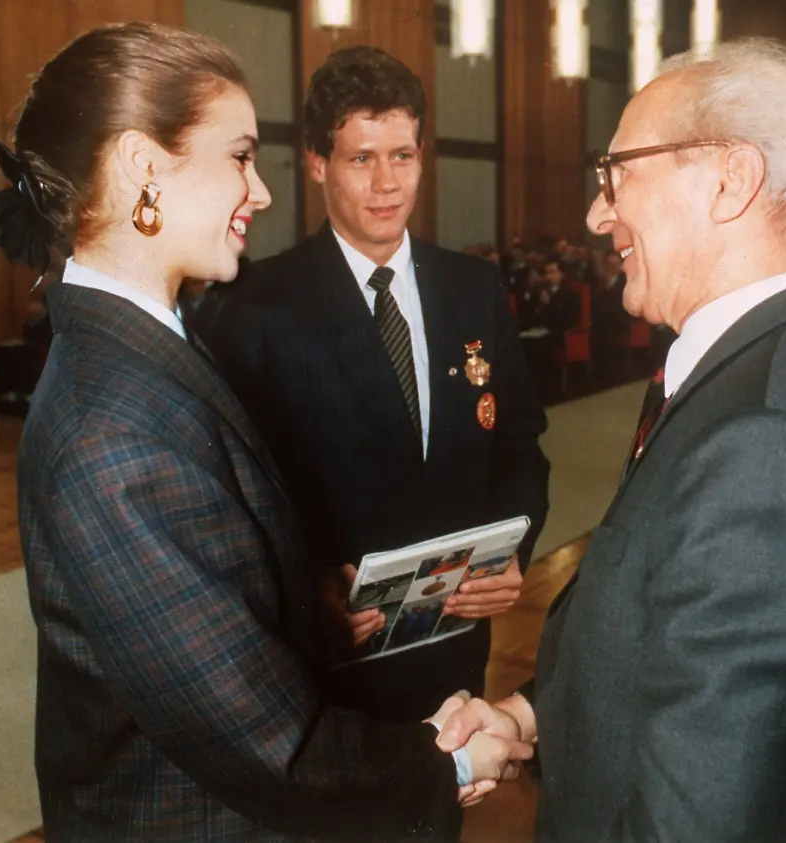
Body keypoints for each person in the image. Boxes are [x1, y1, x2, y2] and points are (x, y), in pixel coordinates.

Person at [0, 23, 527, 841]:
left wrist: (301, 606)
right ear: (142, 166)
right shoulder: (110, 431)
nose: (259, 192)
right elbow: (269, 743)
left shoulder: (144, 350)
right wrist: (452, 764)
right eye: (239, 156)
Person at [439, 38, 786, 842]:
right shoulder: (770, 369)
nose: (597, 213)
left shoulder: (777, 449)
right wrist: (528, 716)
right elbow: (665, 629)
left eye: (617, 173)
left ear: (730, 179)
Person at [192, 45, 550, 735]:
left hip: (454, 651)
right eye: (361, 159)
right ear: (317, 163)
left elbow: (520, 446)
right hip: (332, 668)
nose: (387, 184)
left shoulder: (473, 289)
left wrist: (515, 548)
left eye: (402, 156)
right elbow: (229, 494)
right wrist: (305, 587)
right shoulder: (256, 306)